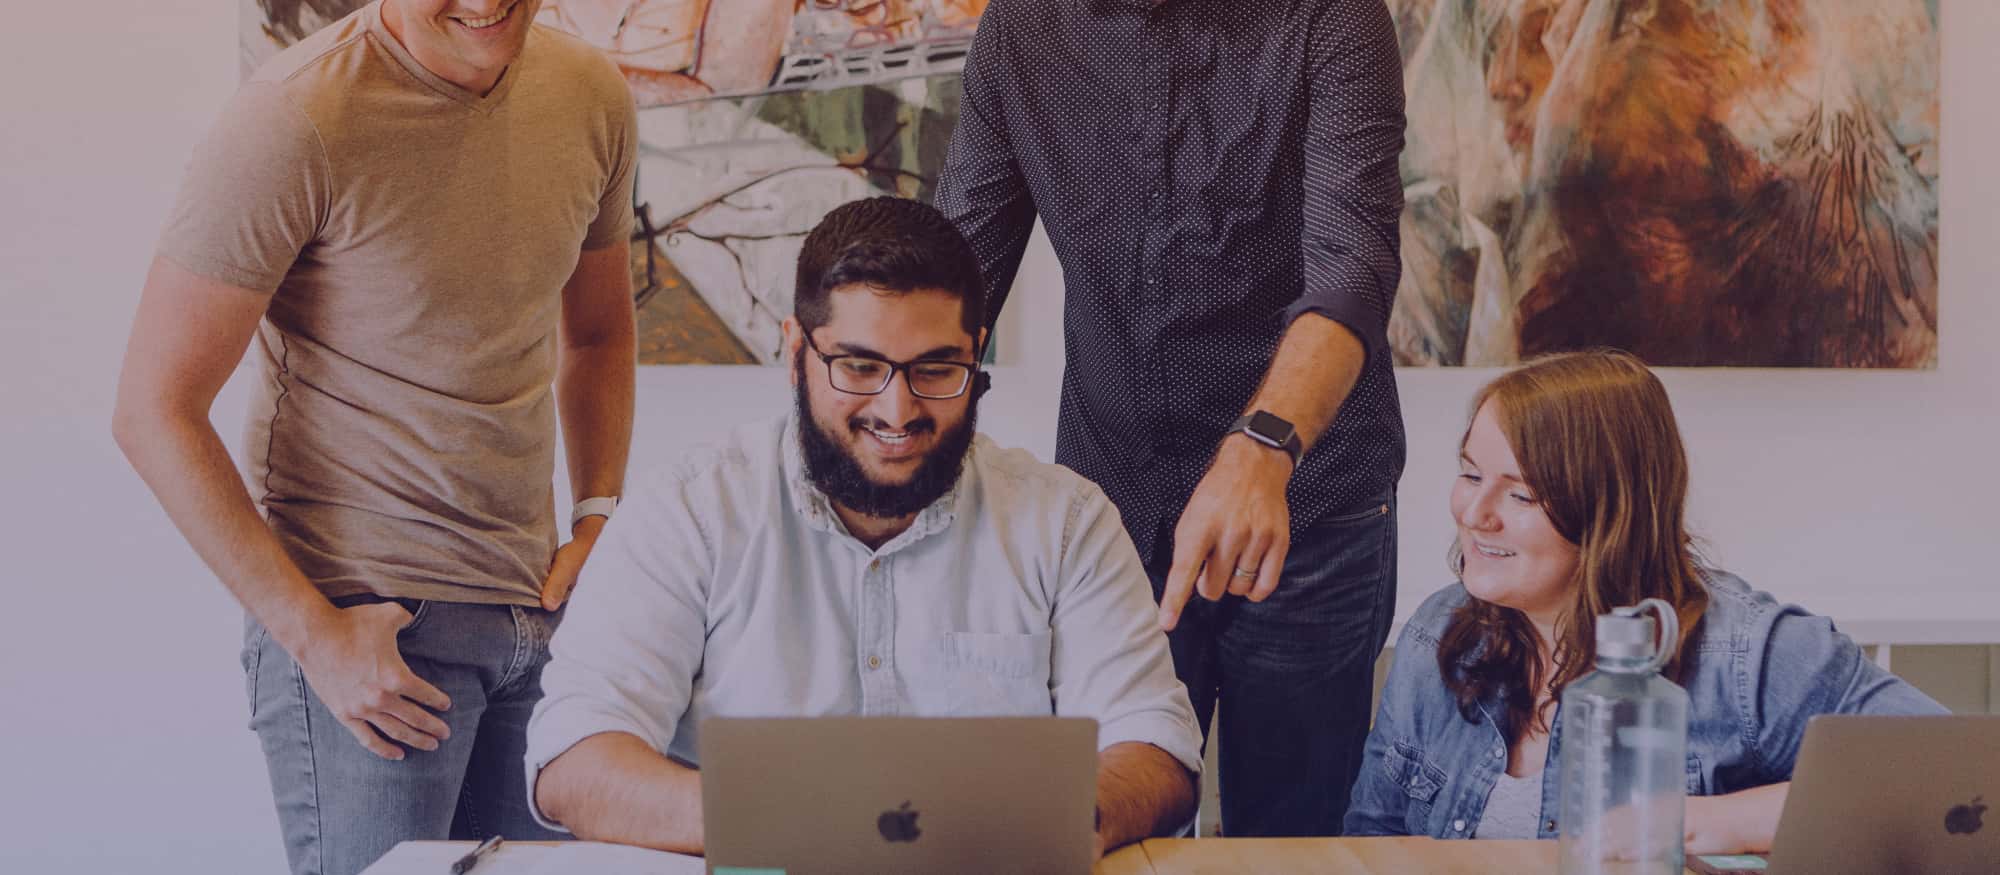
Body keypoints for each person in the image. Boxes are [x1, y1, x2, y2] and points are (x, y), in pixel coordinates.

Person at [111, 2, 638, 873]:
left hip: (538, 620)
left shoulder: (591, 93)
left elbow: (600, 335)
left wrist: (597, 514)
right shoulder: (294, 116)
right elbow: (152, 408)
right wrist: (312, 633)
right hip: (372, 633)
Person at [525, 197, 1202, 858]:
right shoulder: (690, 512)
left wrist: (1062, 818)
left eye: (937, 368)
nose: (897, 409)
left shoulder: (1066, 523)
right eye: (859, 366)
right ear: (795, 352)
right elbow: (572, 757)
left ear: (977, 353)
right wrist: (795, 821)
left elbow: (1157, 745)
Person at [933, 0, 1409, 837]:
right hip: (1110, 504)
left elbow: (1354, 263)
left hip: (1310, 506)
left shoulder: (1330, 16)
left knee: (1290, 840)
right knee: (1102, 822)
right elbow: (950, 275)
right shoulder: (1022, 30)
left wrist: (1262, 446)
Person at [1343, 350, 1947, 852]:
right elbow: (1373, 842)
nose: (1475, 516)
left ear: (1611, 511)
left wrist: (1709, 823)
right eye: (1472, 475)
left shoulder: (1749, 653)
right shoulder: (1438, 632)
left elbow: (1951, 781)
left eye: (1521, 495)